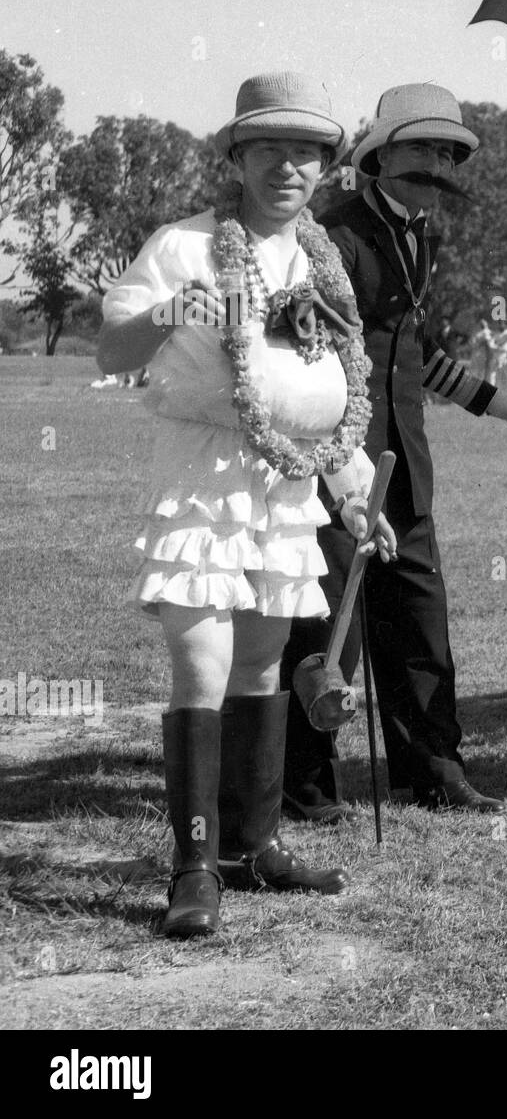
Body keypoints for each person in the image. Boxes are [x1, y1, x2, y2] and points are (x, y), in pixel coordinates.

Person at [98, 71, 397, 938]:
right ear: (238, 156)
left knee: (261, 667)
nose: (289, 167)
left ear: (325, 169)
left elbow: (333, 404)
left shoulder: (324, 266)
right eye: (270, 149)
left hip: (289, 488)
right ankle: (194, 867)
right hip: (202, 479)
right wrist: (165, 312)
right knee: (201, 663)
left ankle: (252, 846)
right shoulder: (184, 244)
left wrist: (349, 498)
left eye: (307, 152)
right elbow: (113, 344)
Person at [279, 83, 507, 821]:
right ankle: (305, 785)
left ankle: (433, 770)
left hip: (405, 459)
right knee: (329, 620)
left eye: (447, 152)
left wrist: (491, 400)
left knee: (419, 618)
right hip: (335, 464)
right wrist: (336, 467)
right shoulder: (329, 234)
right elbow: (313, 352)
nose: (436, 164)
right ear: (380, 153)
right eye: (422, 147)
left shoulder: (423, 234)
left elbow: (413, 349)